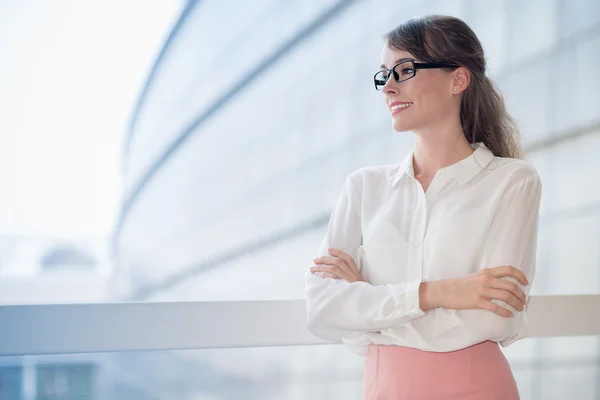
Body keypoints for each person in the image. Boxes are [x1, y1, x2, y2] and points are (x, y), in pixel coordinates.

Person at [304, 15, 542, 400]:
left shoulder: (512, 181)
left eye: (405, 70)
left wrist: (366, 306)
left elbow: (494, 316)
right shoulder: (364, 187)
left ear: (458, 80)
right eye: (384, 75)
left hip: (475, 388)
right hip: (383, 389)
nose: (389, 88)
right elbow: (321, 308)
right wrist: (436, 293)